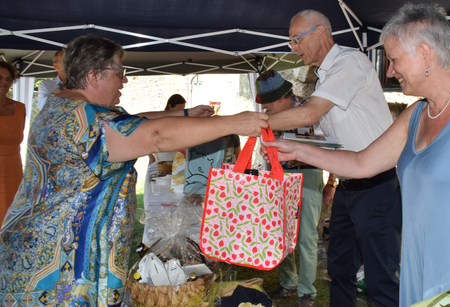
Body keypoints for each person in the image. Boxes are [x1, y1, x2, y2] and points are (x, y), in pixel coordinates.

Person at [262, 3, 450, 306]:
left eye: (394, 59)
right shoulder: (416, 114)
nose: (389, 70)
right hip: (425, 269)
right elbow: (362, 163)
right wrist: (298, 150)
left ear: (425, 54)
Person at [0, 33, 268, 305]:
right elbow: (156, 137)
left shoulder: (65, 105)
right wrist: (233, 123)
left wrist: (185, 114)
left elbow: (130, 121)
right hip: (61, 262)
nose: (125, 80)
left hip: (36, 245)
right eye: (120, 72)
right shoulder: (87, 123)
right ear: (94, 76)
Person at [267, 9, 402, 307]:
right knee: (340, 269)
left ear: (319, 33)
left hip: (377, 186)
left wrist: (255, 122)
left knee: (381, 278)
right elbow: (331, 139)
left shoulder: (348, 62)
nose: (292, 48)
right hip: (349, 186)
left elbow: (311, 113)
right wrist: (291, 146)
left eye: (295, 40)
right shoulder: (324, 77)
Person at [257, 69, 324, 307]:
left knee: (306, 235)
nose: (266, 109)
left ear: (283, 98)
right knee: (281, 232)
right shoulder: (267, 117)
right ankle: (288, 283)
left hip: (308, 175)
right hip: (280, 175)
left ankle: (307, 291)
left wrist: (333, 182)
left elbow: (331, 145)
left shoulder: (310, 110)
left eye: (268, 104)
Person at [0, 62, 25, 222]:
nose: (4, 82)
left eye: (8, 79)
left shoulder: (20, 108)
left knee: (12, 223)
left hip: (13, 174)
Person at [149, 93, 189, 164]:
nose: (180, 113)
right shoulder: (159, 120)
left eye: (182, 110)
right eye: (178, 110)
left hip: (177, 156)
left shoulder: (180, 120)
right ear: (170, 106)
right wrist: (150, 156)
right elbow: (148, 136)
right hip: (164, 156)